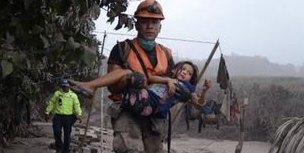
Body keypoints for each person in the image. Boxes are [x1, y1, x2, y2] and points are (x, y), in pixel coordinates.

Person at [77, 0, 209, 153]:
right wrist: (128, 80)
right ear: (137, 23)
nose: (150, 26)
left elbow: (173, 87)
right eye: (146, 21)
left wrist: (180, 92)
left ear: (160, 27)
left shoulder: (167, 55)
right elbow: (114, 86)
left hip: (155, 116)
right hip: (128, 111)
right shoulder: (122, 49)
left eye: (155, 22)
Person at [69, 61, 212, 118]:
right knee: (128, 73)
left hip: (150, 106)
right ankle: (90, 86)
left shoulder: (188, 87)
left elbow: (198, 104)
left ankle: (91, 86)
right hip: (143, 96)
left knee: (131, 76)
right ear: (175, 70)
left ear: (191, 78)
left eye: (189, 73)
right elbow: (151, 79)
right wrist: (168, 80)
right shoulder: (168, 79)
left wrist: (205, 90)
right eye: (183, 69)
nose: (185, 73)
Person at [45, 79, 82, 153]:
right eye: (63, 87)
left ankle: (66, 151)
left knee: (67, 134)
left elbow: (77, 105)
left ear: (69, 87)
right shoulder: (57, 94)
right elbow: (51, 103)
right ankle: (59, 149)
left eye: (66, 87)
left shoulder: (73, 95)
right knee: (57, 132)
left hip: (68, 118)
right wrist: (47, 112)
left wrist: (79, 114)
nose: (65, 88)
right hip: (58, 117)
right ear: (62, 86)